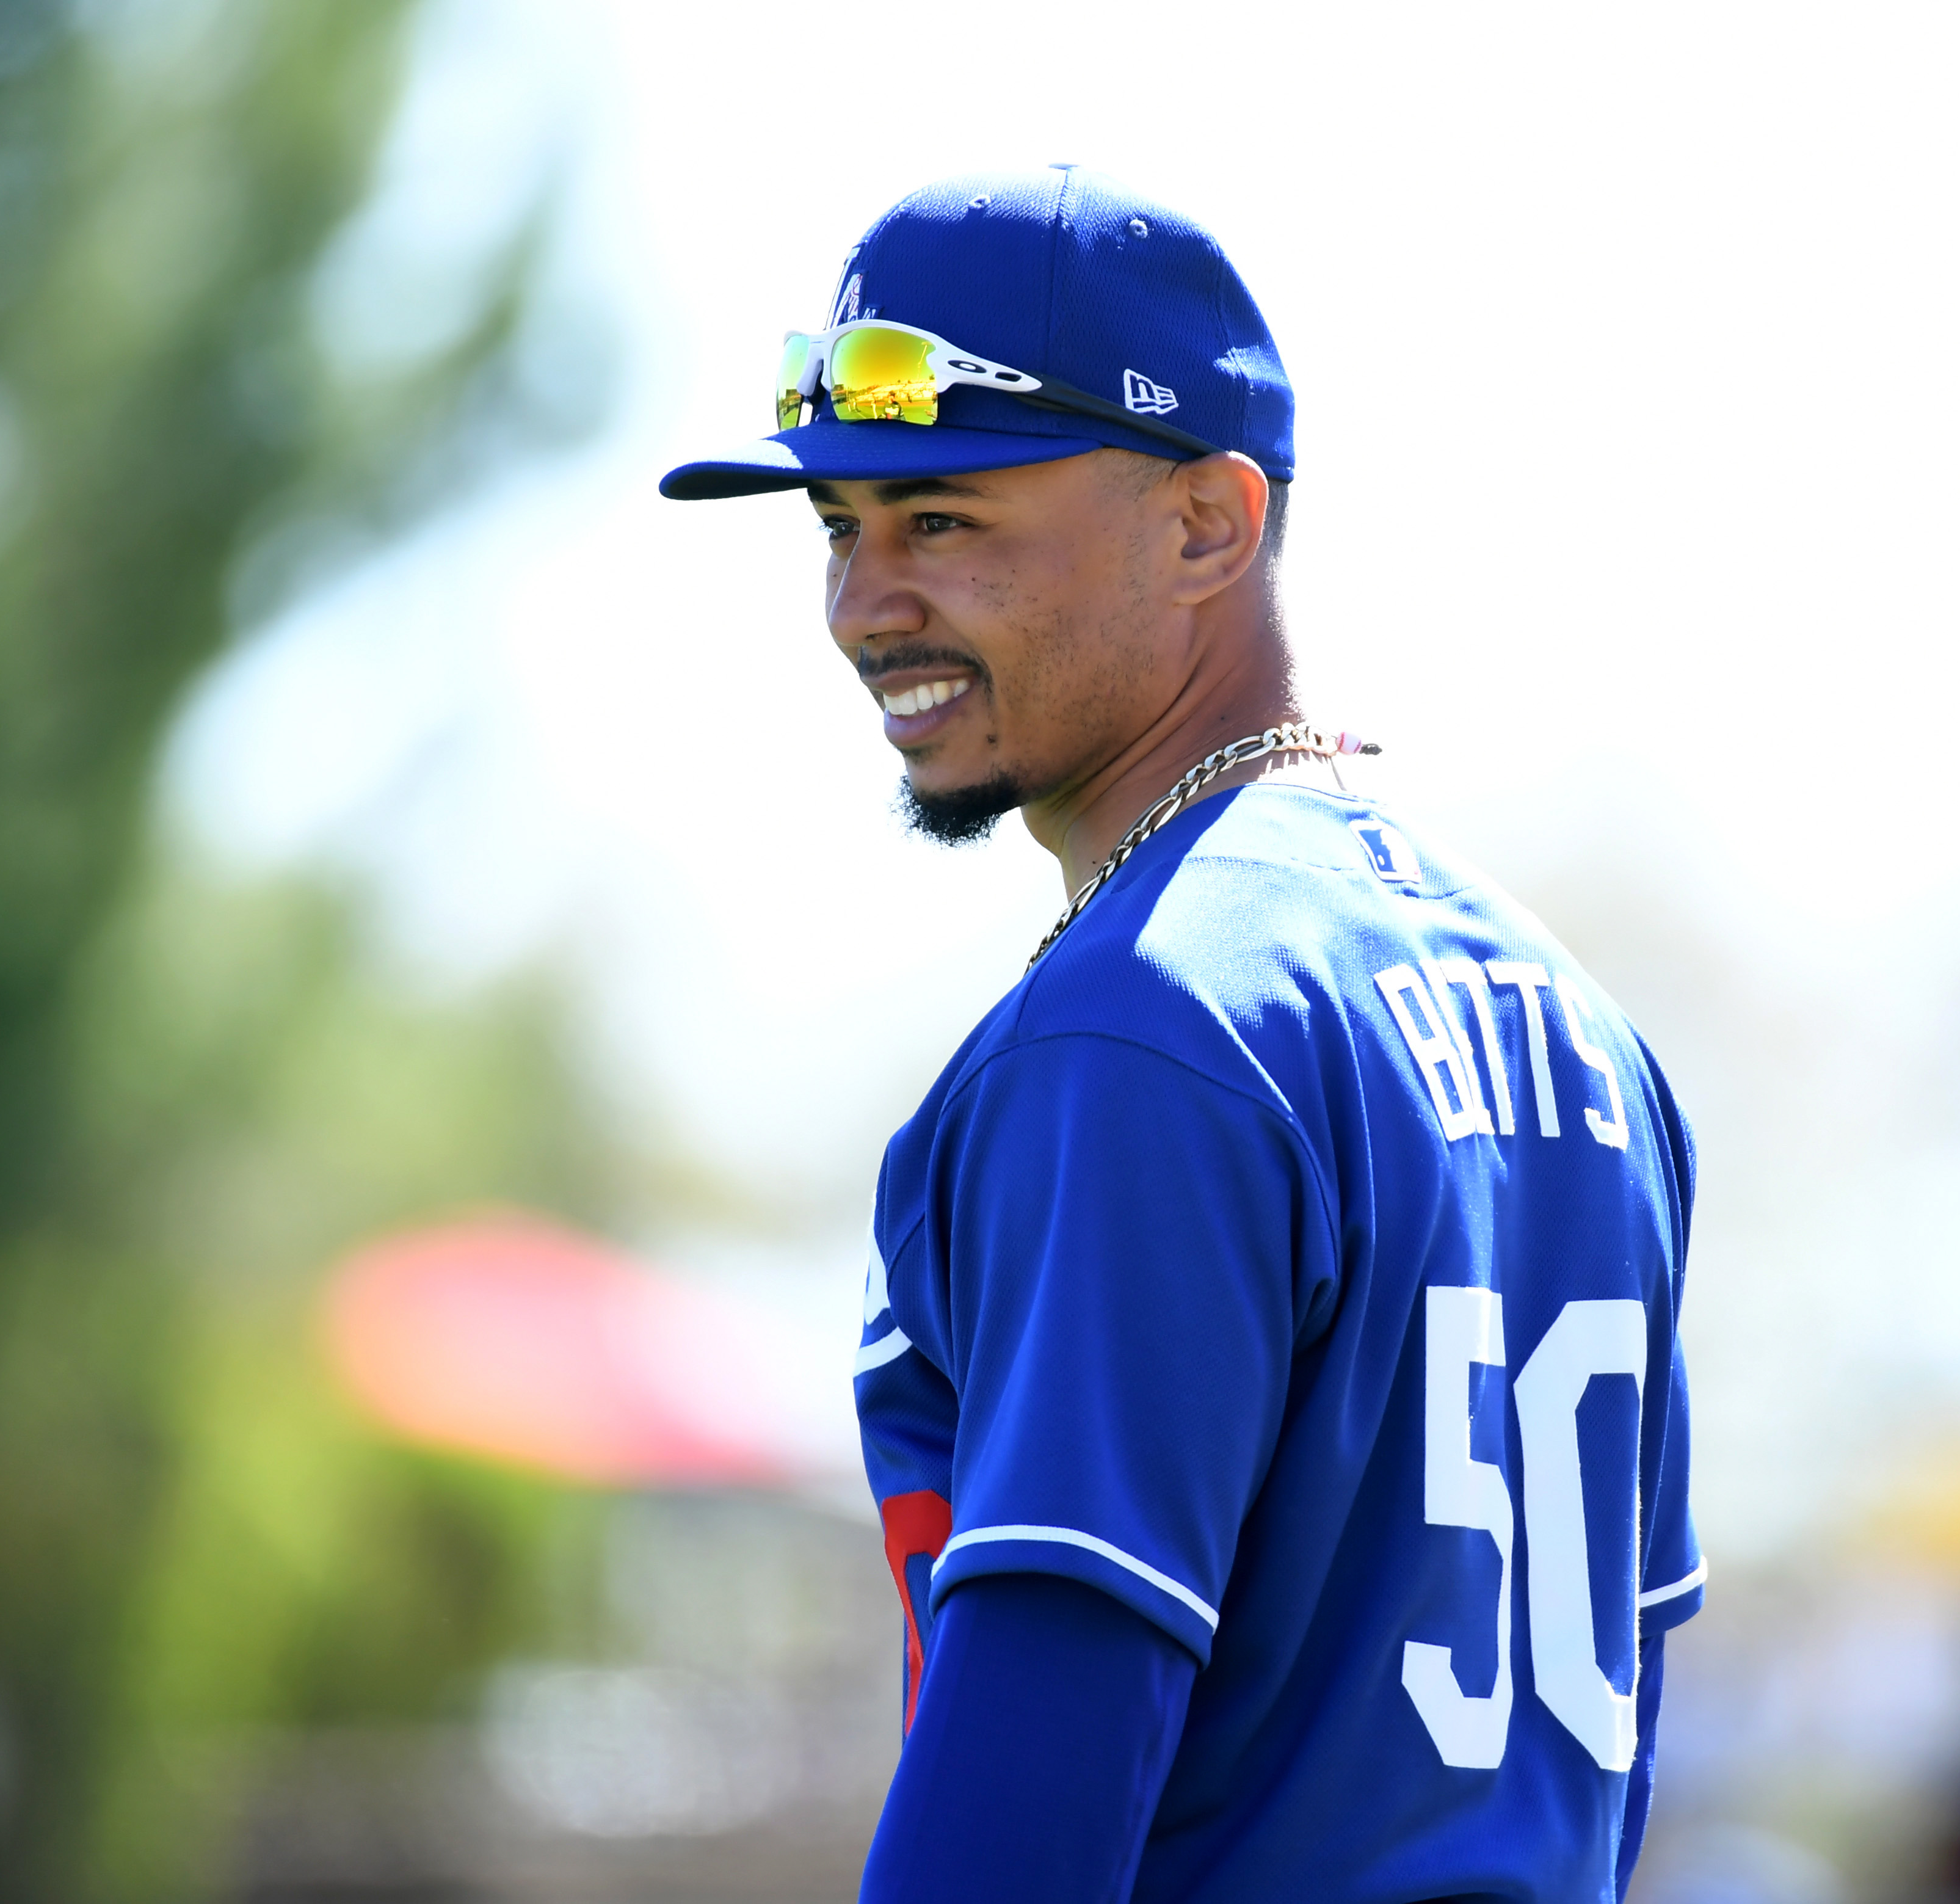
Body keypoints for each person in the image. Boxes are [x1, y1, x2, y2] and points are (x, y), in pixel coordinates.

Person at [661, 166, 1704, 1904]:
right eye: (838, 525)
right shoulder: (1582, 1032)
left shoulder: (1140, 1035)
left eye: (944, 519)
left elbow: (1032, 1784)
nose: (863, 603)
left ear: (1208, 524)